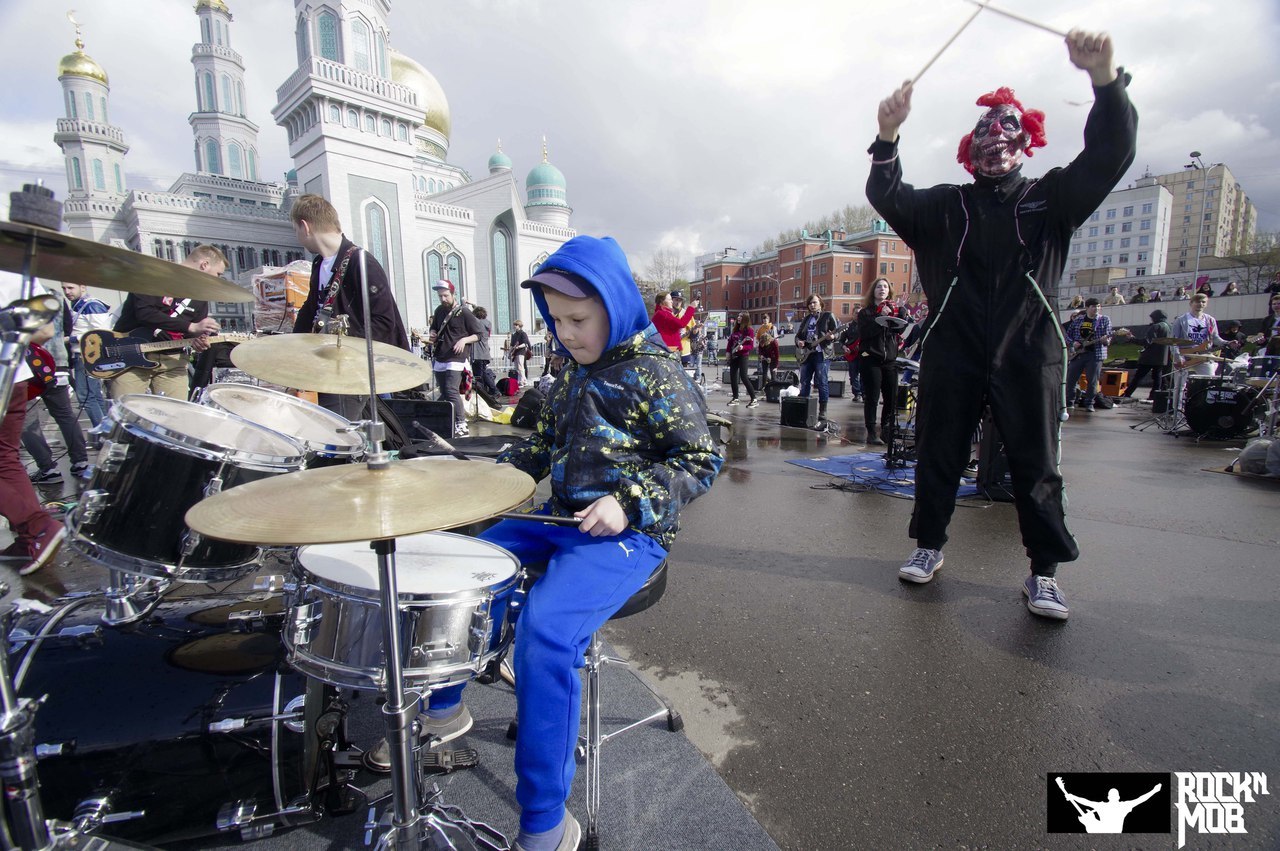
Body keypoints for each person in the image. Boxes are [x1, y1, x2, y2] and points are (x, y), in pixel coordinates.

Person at [409, 235, 721, 851]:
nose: (566, 333)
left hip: (629, 535)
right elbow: (539, 446)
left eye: (578, 319)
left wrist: (629, 502)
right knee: (465, 563)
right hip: (558, 518)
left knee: (547, 630)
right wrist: (491, 476)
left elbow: (700, 460)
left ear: (615, 304)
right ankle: (443, 707)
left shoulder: (656, 374)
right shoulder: (570, 374)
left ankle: (546, 823)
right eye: (556, 321)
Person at [867, 29, 1136, 620]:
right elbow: (886, 194)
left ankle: (1043, 573)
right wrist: (888, 135)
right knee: (939, 452)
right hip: (953, 351)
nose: (997, 138)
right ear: (969, 149)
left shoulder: (1051, 199)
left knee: (1036, 462)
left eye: (1009, 128)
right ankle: (928, 545)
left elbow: (1111, 152)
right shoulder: (945, 206)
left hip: (1030, 350)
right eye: (985, 131)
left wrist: (1104, 77)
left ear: (1028, 140)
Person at [291, 194, 411, 417]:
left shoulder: (361, 262)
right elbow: (310, 310)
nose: (296, 235)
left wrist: (340, 340)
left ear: (304, 226)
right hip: (331, 365)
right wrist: (291, 350)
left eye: (295, 229)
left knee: (335, 434)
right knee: (344, 433)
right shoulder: (319, 263)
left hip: (353, 368)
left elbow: (385, 321)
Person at [0, 273, 66, 575]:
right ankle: (30, 539)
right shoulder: (15, 270)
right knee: (6, 459)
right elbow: (45, 329)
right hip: (14, 374)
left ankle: (37, 526)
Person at [108, 245, 225, 401]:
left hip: (173, 361)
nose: (218, 279)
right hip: (132, 357)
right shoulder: (154, 275)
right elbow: (145, 313)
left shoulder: (200, 295)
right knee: (128, 413)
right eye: (218, 274)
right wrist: (191, 326)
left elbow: (195, 328)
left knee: (175, 417)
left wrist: (199, 338)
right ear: (204, 265)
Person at [22, 286, 91, 482]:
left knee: (27, 421)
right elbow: (67, 327)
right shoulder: (54, 296)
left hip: (27, 367)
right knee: (65, 414)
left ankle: (48, 469)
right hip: (56, 361)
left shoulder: (14, 292)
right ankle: (80, 462)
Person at [427, 280, 483, 438]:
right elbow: (435, 327)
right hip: (441, 355)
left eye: (445, 296)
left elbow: (479, 334)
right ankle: (446, 421)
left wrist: (463, 340)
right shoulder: (439, 311)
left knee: (451, 390)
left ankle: (461, 424)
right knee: (444, 391)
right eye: (440, 296)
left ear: (453, 294)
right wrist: (432, 332)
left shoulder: (464, 312)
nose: (443, 299)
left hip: (457, 357)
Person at [856, 278, 909, 444]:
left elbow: (899, 328)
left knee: (891, 397)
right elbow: (865, 333)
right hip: (871, 358)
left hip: (890, 360)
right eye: (879, 286)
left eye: (885, 286)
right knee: (872, 396)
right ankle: (871, 432)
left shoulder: (893, 310)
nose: (882, 289)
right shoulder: (865, 313)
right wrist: (880, 316)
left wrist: (901, 311)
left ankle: (886, 429)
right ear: (873, 291)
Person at [61, 281, 112, 435]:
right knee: (93, 395)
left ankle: (103, 432)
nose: (67, 291)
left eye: (71, 288)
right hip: (83, 355)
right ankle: (105, 430)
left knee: (85, 396)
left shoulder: (92, 305)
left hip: (88, 356)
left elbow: (103, 332)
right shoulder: (79, 304)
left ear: (82, 287)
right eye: (64, 288)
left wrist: (71, 339)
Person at [794, 294, 838, 424]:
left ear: (820, 303)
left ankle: (822, 411)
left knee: (822, 382)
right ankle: (804, 408)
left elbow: (838, 332)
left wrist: (833, 337)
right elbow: (798, 336)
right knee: (804, 381)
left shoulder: (828, 316)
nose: (812, 305)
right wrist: (799, 342)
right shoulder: (807, 319)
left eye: (814, 302)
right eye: (810, 303)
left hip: (822, 354)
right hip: (808, 354)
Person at [1064, 298, 1114, 412]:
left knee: (1092, 381)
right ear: (1087, 308)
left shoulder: (1104, 319)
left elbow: (1108, 337)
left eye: (1098, 306)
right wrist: (1073, 343)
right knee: (1071, 379)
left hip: (1095, 354)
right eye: (1093, 306)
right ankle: (1069, 402)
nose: (1096, 308)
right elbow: (1067, 335)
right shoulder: (1078, 320)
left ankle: (1089, 403)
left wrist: (1105, 340)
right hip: (1078, 354)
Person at [1171, 293, 1228, 378]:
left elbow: (1215, 338)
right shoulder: (1181, 320)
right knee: (1180, 386)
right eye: (1197, 302)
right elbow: (1173, 341)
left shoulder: (1210, 320)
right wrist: (1177, 357)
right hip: (1184, 356)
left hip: (1203, 356)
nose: (1200, 304)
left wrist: (1228, 343)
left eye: (1203, 302)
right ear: (1191, 303)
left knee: (1209, 380)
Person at [1121, 309, 1172, 401]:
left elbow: (1147, 342)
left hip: (1150, 357)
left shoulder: (1156, 327)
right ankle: (1154, 396)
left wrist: (1132, 339)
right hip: (1162, 357)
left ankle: (1127, 393)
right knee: (1157, 377)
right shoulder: (1169, 327)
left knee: (1139, 376)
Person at [724, 314, 758, 407]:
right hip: (734, 356)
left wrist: (743, 347)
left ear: (745, 319)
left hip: (743, 356)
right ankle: (735, 398)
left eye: (741, 317)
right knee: (733, 377)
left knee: (744, 377)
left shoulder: (749, 331)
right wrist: (728, 353)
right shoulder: (735, 330)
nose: (738, 318)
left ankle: (754, 399)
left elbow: (751, 346)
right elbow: (730, 342)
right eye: (738, 316)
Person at [469, 306, 500, 397]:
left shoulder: (477, 323)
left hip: (478, 353)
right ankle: (491, 391)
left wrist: (464, 304)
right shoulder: (487, 323)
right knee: (483, 374)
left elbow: (470, 317)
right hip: (485, 352)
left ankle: (489, 392)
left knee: (479, 376)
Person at [838, 320, 863, 401]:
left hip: (863, 353)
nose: (858, 315)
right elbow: (841, 341)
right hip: (852, 353)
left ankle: (864, 393)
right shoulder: (848, 327)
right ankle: (857, 393)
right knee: (853, 375)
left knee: (864, 375)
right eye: (856, 313)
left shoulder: (866, 325)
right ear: (853, 314)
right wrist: (844, 347)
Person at [507, 320, 531, 384]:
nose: (514, 326)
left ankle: (523, 380)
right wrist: (509, 353)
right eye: (514, 325)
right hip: (515, 352)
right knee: (517, 367)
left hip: (521, 351)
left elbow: (525, 343)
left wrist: (518, 347)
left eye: (516, 325)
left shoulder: (523, 333)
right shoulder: (514, 335)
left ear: (519, 326)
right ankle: (522, 380)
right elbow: (512, 345)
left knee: (520, 366)